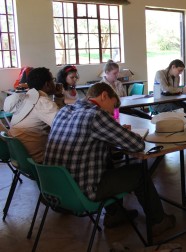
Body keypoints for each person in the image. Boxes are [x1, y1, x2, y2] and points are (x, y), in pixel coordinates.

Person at [44, 83, 175, 233]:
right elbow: (137, 145)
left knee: (106, 160)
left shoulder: (64, 110)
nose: (113, 113)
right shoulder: (96, 115)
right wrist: (125, 133)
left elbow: (87, 136)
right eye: (113, 106)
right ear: (104, 96)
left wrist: (114, 131)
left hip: (56, 189)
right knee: (139, 173)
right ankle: (159, 221)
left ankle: (115, 214)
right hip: (80, 193)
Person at [3, 67, 63, 163]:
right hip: (38, 161)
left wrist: (58, 97)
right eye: (53, 80)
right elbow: (64, 127)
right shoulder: (42, 102)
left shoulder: (27, 98)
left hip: (20, 158)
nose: (54, 83)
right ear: (47, 84)